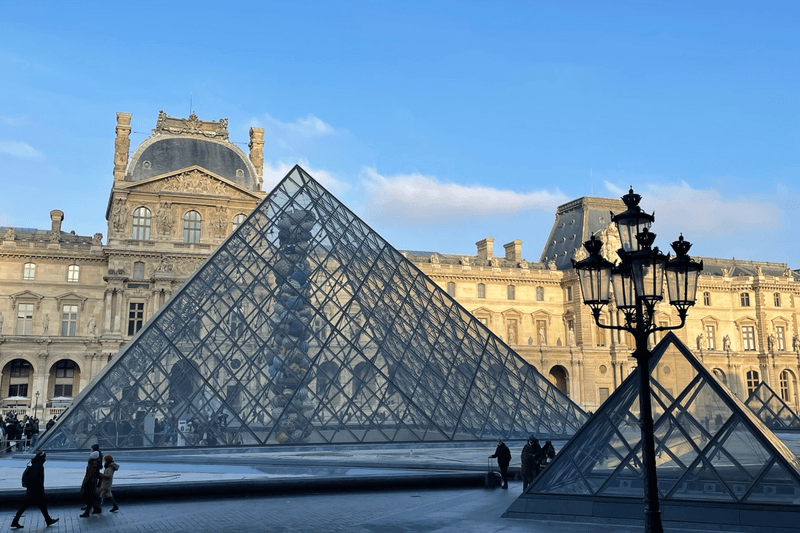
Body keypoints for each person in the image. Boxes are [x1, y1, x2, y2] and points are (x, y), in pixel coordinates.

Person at [10, 451, 59, 528]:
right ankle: (15, 521)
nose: (45, 459)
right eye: (44, 458)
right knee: (37, 505)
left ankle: (15, 521)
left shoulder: (34, 465)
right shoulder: (39, 467)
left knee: (37, 506)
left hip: (31, 490)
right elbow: (38, 480)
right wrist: (40, 490)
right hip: (36, 491)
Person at [79, 451, 103, 517]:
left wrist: (84, 484)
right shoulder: (97, 464)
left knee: (88, 497)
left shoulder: (91, 465)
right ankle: (96, 508)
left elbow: (88, 476)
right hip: (93, 483)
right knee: (91, 497)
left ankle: (88, 511)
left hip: (89, 484)